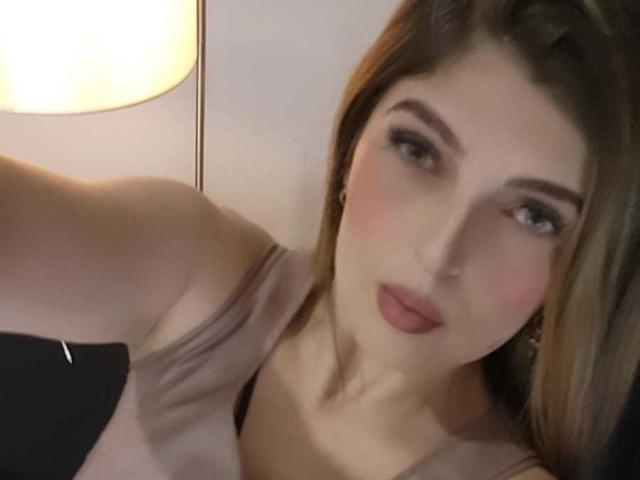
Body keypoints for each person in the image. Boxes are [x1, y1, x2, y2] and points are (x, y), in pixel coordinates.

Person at [0, 0, 637, 479]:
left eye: (533, 215)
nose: (440, 252)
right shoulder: (206, 275)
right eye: (417, 149)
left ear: (578, 267)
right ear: (355, 139)